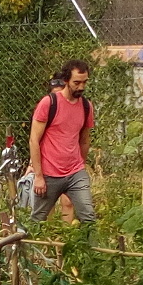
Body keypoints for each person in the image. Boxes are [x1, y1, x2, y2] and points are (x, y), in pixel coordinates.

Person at [26, 62, 96, 223]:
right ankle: (30, 240)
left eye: (84, 82)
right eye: (76, 82)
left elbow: (84, 141)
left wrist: (81, 166)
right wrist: (38, 176)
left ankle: (90, 241)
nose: (81, 87)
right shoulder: (49, 103)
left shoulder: (86, 106)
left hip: (75, 172)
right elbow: (34, 140)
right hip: (49, 173)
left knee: (89, 217)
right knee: (38, 220)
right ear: (66, 80)